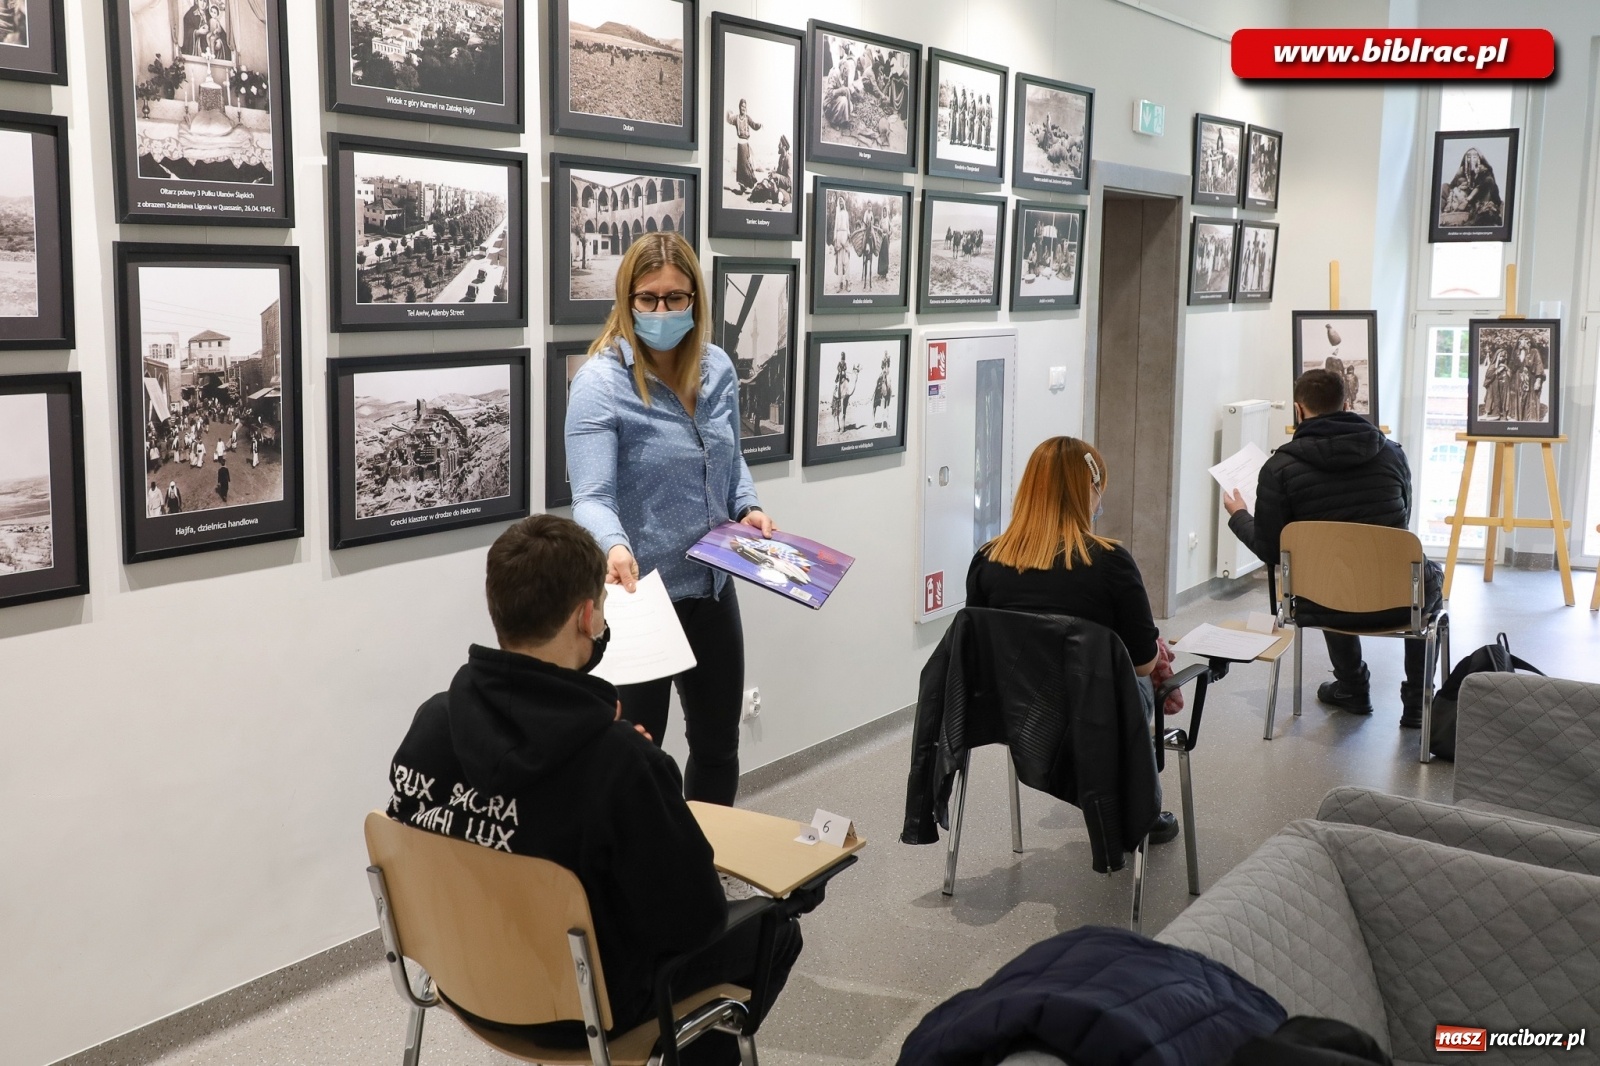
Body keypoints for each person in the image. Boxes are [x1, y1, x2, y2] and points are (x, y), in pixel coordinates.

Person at [386, 515, 802, 1062]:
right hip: (582, 1012)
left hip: (463, 980)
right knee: (776, 930)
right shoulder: (620, 763)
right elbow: (695, 918)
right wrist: (653, 775)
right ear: (587, 616)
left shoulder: (430, 725)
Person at [566, 232, 773, 807]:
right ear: (626, 299)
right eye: (648, 298)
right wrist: (611, 545)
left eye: (676, 298)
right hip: (640, 598)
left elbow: (731, 462)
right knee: (637, 758)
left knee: (716, 748)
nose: (662, 311)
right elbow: (590, 496)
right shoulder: (600, 384)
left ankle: (706, 871)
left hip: (712, 588)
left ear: (695, 301)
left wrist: (747, 507)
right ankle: (641, 890)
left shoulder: (718, 371)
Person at [965, 436, 1181, 845]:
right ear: (1090, 490)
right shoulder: (1110, 561)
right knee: (1134, 685)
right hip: (1098, 715)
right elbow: (1142, 665)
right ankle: (1140, 811)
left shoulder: (987, 560)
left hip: (1018, 714)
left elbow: (982, 651)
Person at [1223, 369, 1442, 726]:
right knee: (1422, 579)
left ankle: (1353, 686)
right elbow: (1402, 525)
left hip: (1320, 604)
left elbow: (1269, 550)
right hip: (1400, 602)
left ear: (1298, 409)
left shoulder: (1279, 468)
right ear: (1348, 403)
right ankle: (1418, 704)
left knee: (1328, 571)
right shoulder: (1392, 455)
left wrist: (1238, 515)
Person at [725, 98, 763, 194]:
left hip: (746, 144)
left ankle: (750, 185)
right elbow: (729, 120)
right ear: (739, 107)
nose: (743, 108)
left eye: (745, 107)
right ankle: (742, 188)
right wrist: (728, 112)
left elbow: (754, 125)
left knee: (747, 165)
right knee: (741, 166)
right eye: (742, 106)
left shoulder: (747, 118)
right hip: (740, 145)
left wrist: (759, 125)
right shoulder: (736, 118)